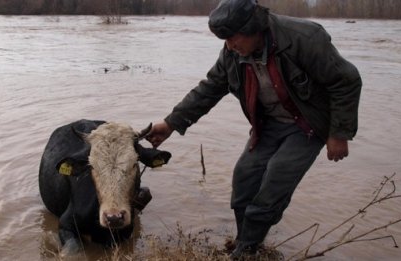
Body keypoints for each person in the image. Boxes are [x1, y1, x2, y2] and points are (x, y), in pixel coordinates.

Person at [146, 0, 362, 259]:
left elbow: (346, 81)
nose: (229, 46)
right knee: (244, 178)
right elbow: (210, 88)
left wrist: (338, 134)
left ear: (254, 28)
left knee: (276, 178)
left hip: (307, 125)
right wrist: (171, 124)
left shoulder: (304, 38)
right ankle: (246, 240)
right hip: (268, 124)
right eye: (224, 40)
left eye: (233, 38)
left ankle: (247, 249)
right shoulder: (232, 53)